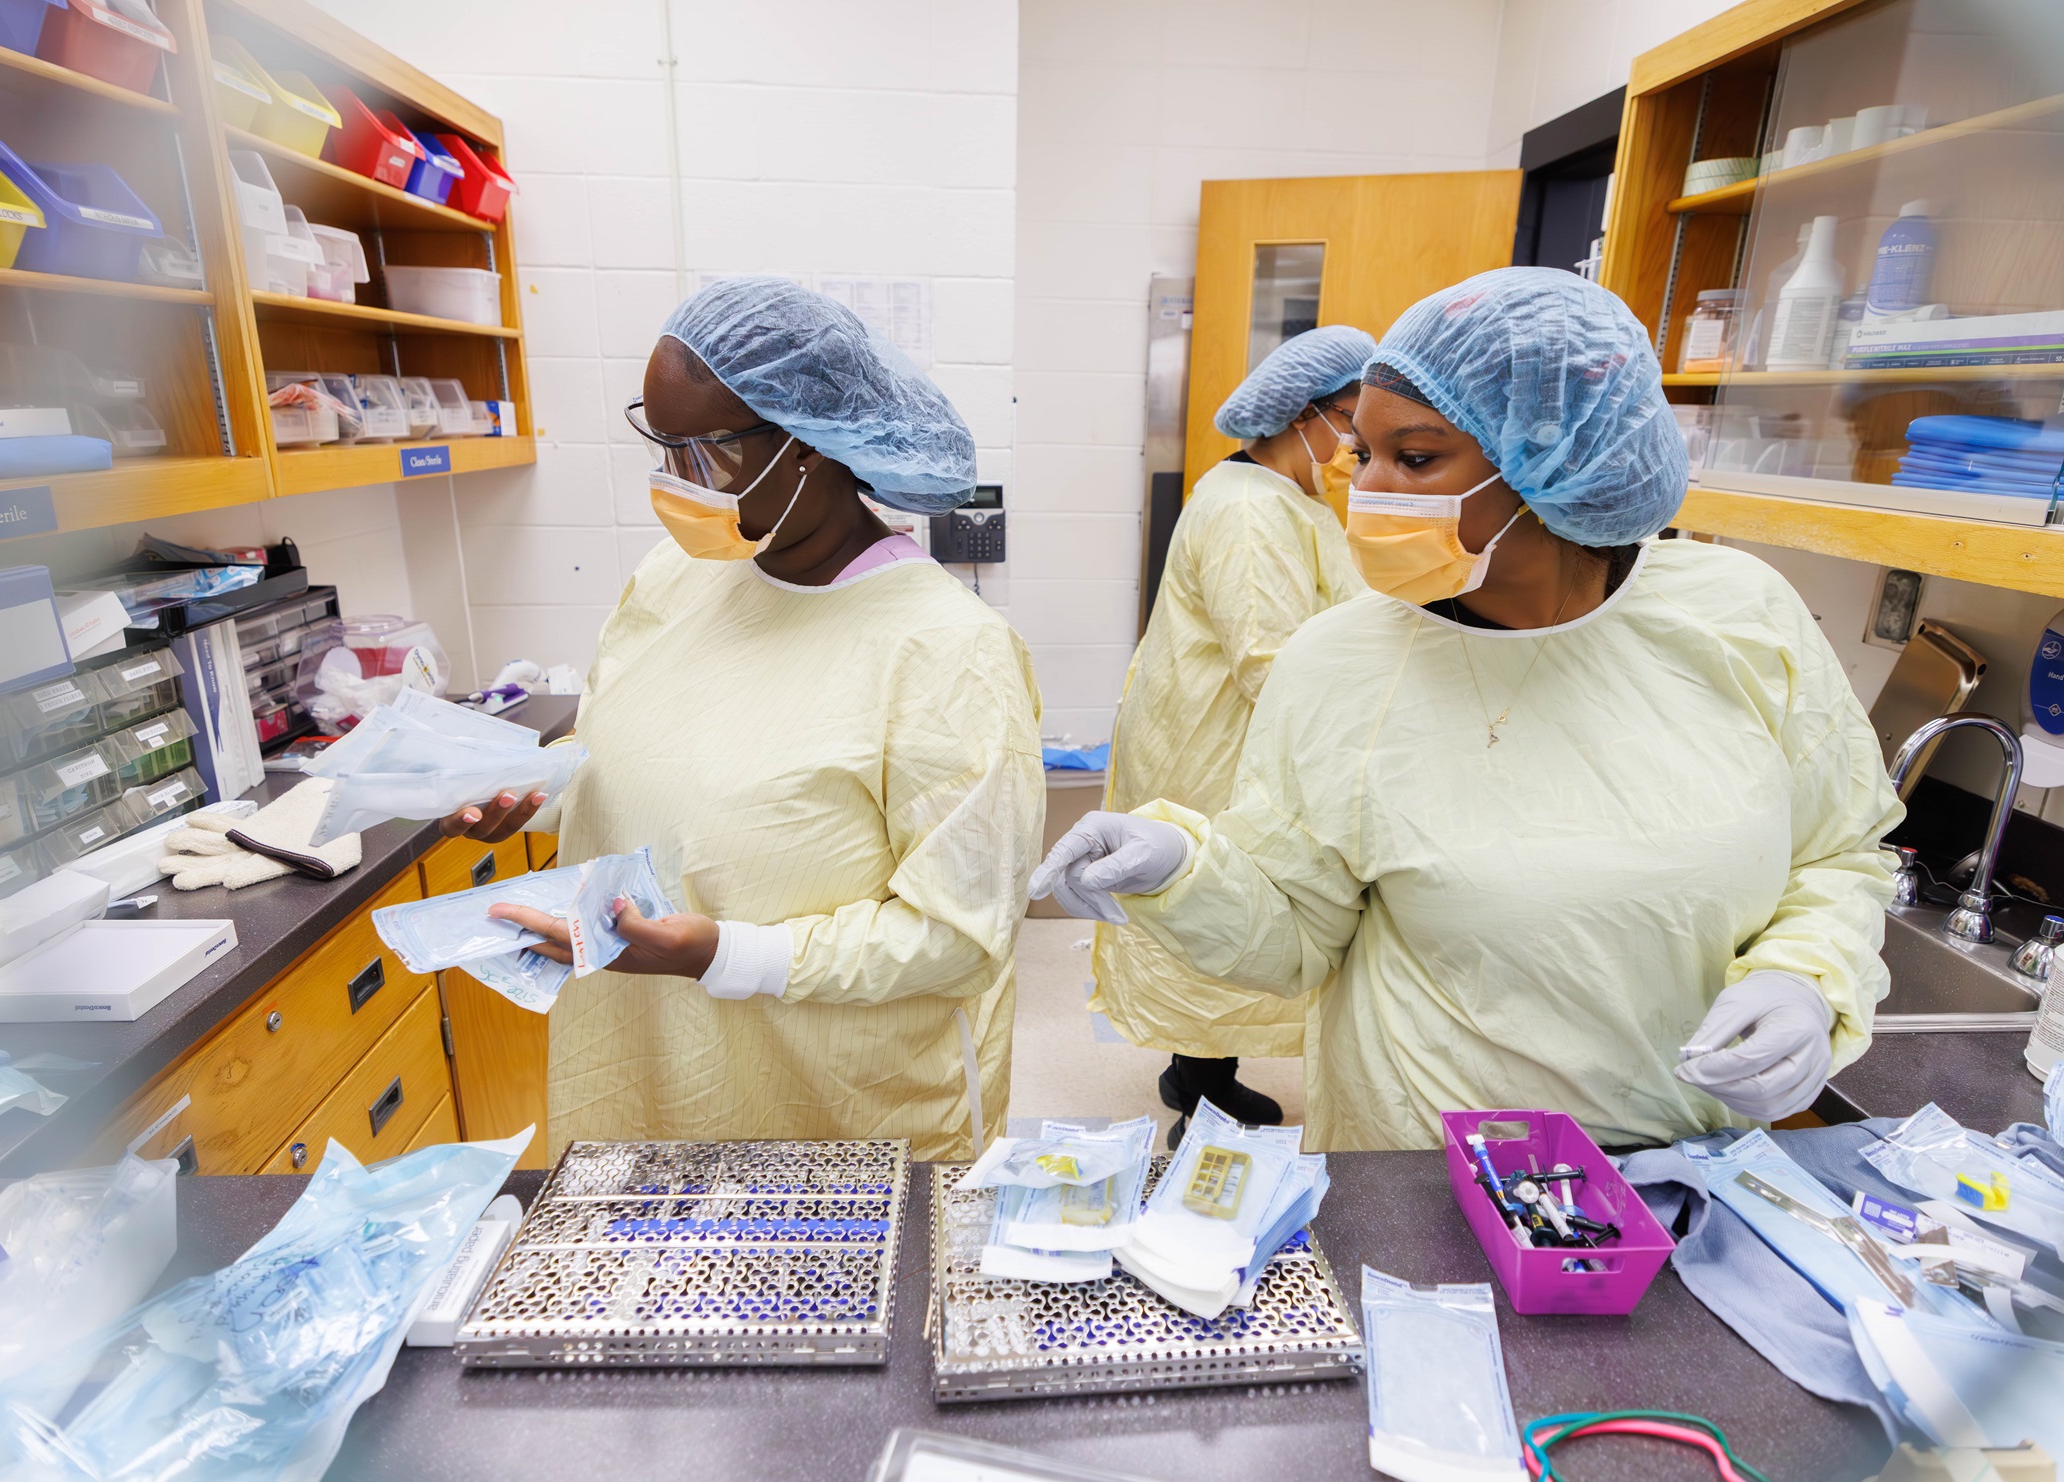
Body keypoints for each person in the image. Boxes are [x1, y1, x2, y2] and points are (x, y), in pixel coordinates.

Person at [1031, 268, 1903, 1151]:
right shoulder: (1340, 664)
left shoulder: (1740, 617)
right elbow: (1296, 931)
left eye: (1414, 458)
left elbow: (1838, 853)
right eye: (1361, 456)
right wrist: (1181, 866)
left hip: (1691, 1160)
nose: (1366, 492)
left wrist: (1806, 978)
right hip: (1424, 1167)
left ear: (1553, 458)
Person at [447, 276, 1045, 1159]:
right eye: (663, 447)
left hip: (836, 1109)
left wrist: (727, 954)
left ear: (811, 447)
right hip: (640, 1062)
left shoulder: (945, 651)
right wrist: (539, 796)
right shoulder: (674, 578)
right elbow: (638, 744)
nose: (674, 483)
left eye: (705, 455)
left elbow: (957, 936)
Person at [1094, 324, 1373, 1144]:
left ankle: (1194, 1075)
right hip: (1219, 740)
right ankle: (1203, 1107)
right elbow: (1268, 656)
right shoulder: (1251, 510)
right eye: (1352, 420)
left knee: (1218, 901)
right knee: (1217, 906)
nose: (1360, 442)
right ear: (1305, 414)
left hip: (1221, 729)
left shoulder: (1289, 496)